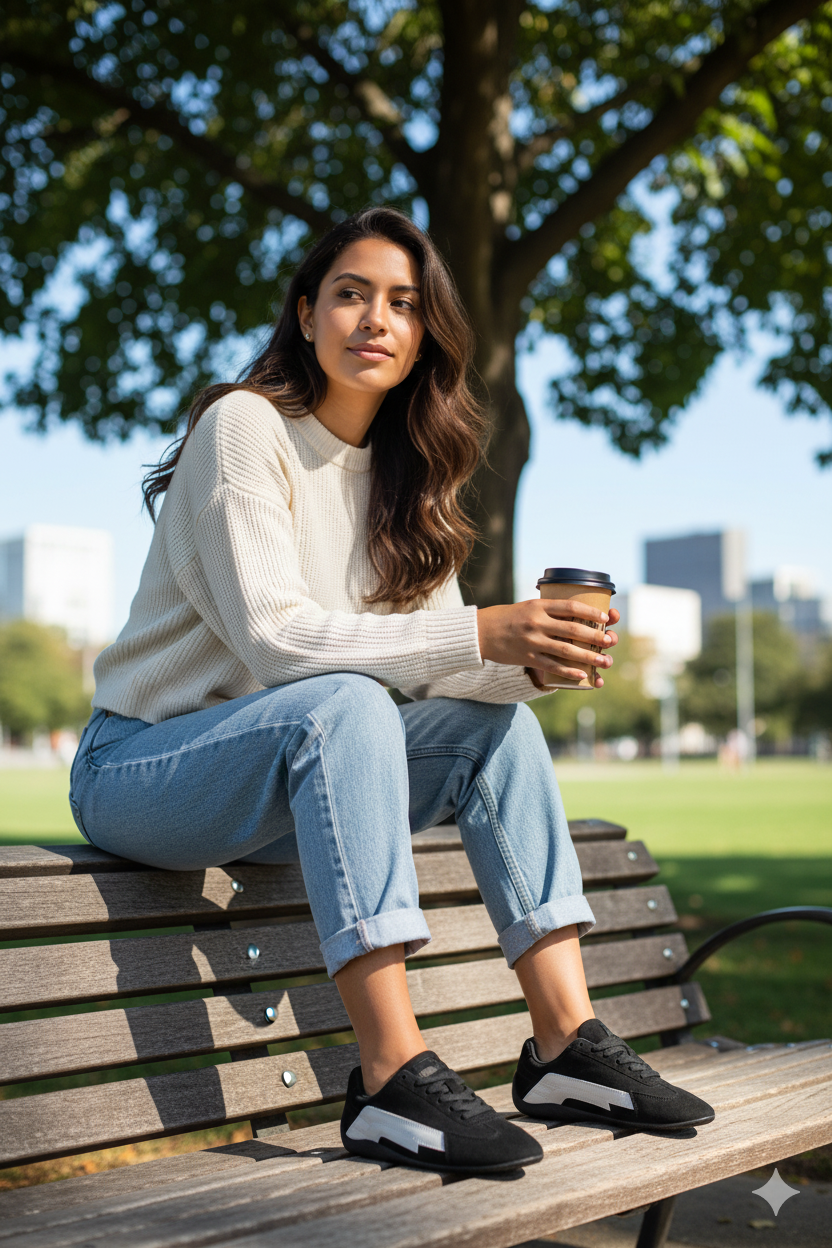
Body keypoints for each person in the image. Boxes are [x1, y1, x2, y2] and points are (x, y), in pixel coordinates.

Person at [69, 207, 713, 1175]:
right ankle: (388, 1075)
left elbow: (446, 668)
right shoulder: (243, 428)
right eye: (350, 294)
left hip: (285, 781)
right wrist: (482, 626)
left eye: (403, 304)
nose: (375, 318)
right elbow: (280, 641)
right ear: (305, 315)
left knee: (491, 730)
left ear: (423, 340)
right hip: (142, 769)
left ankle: (566, 1045)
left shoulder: (408, 483)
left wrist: (528, 662)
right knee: (345, 703)